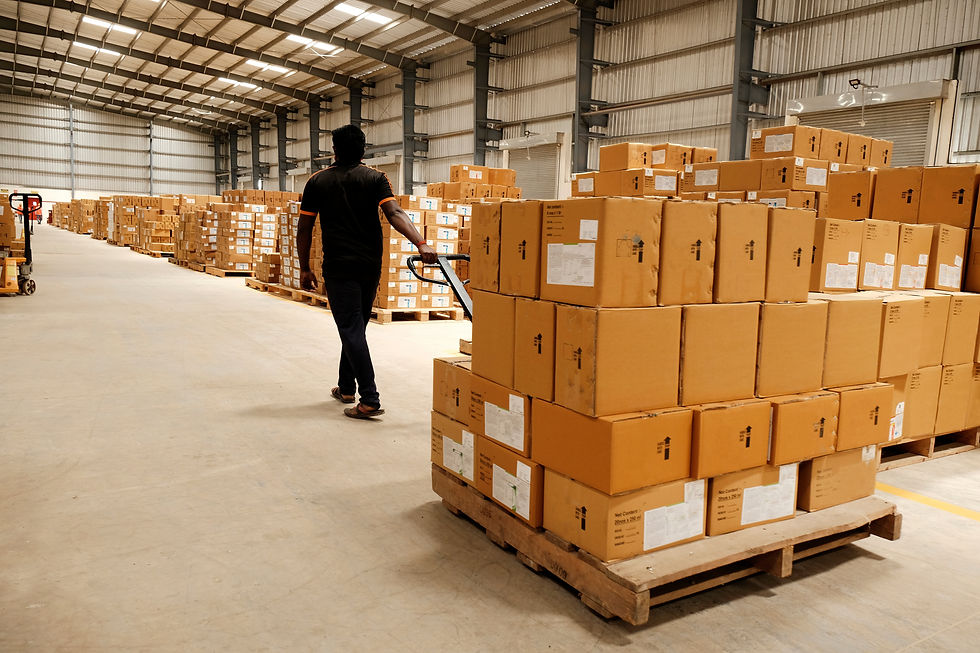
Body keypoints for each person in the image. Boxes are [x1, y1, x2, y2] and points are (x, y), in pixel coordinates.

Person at [296, 124, 437, 420]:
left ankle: (369, 399)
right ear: (363, 150)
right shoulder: (375, 178)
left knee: (350, 328)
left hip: (339, 266)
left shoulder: (317, 181)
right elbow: (395, 213)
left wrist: (305, 267)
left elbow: (305, 228)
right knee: (355, 326)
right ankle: (346, 387)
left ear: (334, 150)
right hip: (370, 265)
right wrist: (421, 243)